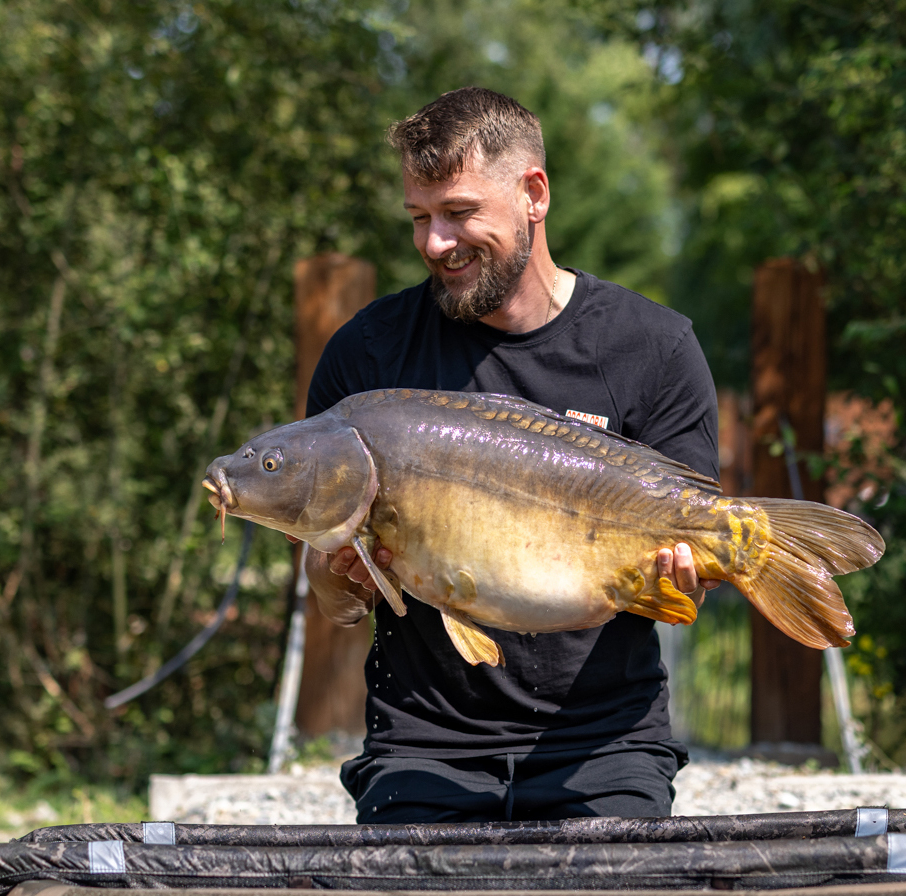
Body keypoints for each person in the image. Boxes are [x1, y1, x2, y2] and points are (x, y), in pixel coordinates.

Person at [301, 87, 719, 824]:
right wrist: (340, 574)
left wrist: (691, 573)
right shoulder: (367, 359)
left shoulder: (653, 347)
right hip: (422, 744)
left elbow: (693, 572)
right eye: (419, 218)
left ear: (534, 195)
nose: (436, 242)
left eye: (459, 212)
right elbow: (333, 601)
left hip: (604, 743)